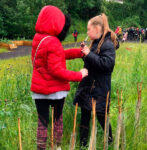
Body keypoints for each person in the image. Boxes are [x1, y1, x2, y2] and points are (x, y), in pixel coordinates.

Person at [30, 5, 88, 150]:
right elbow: (57, 70)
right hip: (55, 91)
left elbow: (58, 55)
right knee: (57, 120)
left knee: (42, 122)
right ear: (55, 23)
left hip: (39, 90)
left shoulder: (39, 38)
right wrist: (79, 75)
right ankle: (57, 147)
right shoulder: (53, 41)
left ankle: (41, 148)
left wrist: (78, 52)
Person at [73, 13, 119, 149]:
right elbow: (93, 62)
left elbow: (106, 65)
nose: (87, 32)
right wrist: (85, 54)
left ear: (97, 28)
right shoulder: (96, 43)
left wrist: (89, 54)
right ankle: (82, 144)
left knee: (102, 117)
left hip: (99, 89)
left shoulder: (108, 44)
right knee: (85, 115)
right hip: (88, 86)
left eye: (89, 29)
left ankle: (110, 142)